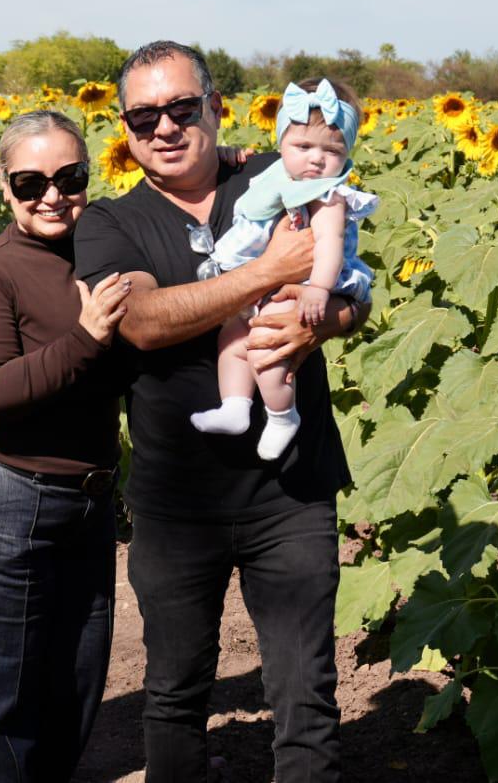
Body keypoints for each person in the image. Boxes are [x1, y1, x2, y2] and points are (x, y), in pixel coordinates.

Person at [73, 41, 368, 783]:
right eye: (144, 116)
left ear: (216, 107)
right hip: (178, 500)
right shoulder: (112, 221)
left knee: (306, 694)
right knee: (174, 694)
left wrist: (323, 320)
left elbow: (354, 288)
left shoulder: (279, 176)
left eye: (181, 108)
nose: (164, 128)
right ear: (125, 127)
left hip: (291, 490)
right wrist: (269, 274)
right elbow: (142, 320)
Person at [0, 110, 130, 782]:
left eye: (70, 176)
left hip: (87, 502)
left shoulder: (104, 248)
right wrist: (85, 338)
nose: (53, 195)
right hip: (6, 502)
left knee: (76, 687)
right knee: (1, 705)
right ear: (5, 186)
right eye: (31, 182)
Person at [190, 78, 377, 460]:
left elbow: (328, 247)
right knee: (232, 340)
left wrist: (318, 292)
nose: (316, 159)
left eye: (331, 150)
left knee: (267, 346)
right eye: (303, 146)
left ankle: (281, 415)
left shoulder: (328, 197)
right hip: (270, 284)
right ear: (281, 146)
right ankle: (236, 406)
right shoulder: (276, 175)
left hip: (306, 286)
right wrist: (224, 153)